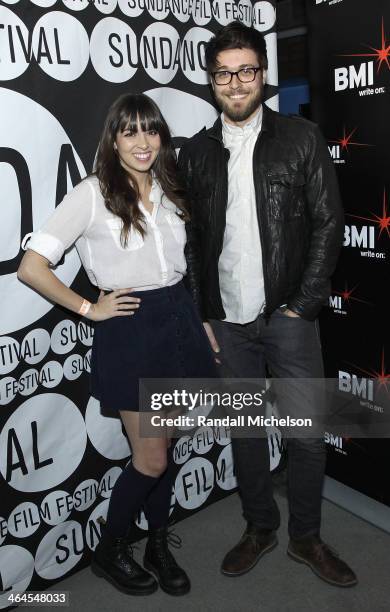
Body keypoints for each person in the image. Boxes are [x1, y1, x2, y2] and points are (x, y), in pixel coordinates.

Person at [178, 22, 357, 587]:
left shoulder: (300, 138)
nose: (236, 83)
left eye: (246, 71)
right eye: (224, 73)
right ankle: (260, 527)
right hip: (228, 322)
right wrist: (203, 312)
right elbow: (194, 242)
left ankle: (306, 537)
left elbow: (329, 223)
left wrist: (302, 305)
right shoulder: (196, 155)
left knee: (305, 435)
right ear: (212, 81)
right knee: (246, 433)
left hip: (288, 317)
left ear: (263, 76)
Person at [18, 93, 217, 597]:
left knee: (166, 447)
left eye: (150, 130)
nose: (142, 141)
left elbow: (185, 265)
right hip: (131, 331)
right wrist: (88, 309)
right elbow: (31, 267)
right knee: (149, 459)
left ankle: (156, 544)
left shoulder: (171, 189)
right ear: (113, 139)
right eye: (130, 131)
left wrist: (201, 320)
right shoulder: (91, 193)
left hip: (178, 320)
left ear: (161, 137)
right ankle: (109, 549)